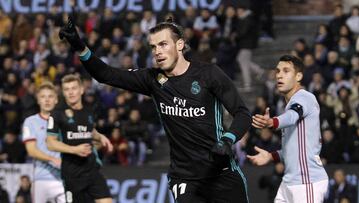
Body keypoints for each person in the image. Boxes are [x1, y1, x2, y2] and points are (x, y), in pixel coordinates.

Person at [59, 17, 252, 202]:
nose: (157, 51)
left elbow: (242, 113)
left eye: (163, 44)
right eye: (153, 47)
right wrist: (79, 46)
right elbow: (105, 74)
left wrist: (228, 140)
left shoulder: (209, 74)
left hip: (222, 174)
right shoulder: (152, 79)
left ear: (180, 45)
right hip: (185, 177)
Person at [248, 55, 329, 202]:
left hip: (307, 181)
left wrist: (272, 122)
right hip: (290, 182)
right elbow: (294, 149)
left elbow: (292, 116)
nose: (279, 75)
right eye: (278, 71)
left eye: (286, 71)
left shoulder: (304, 97)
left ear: (298, 76)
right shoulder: (290, 104)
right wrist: (271, 156)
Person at [46, 74, 113, 203]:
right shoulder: (57, 114)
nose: (71, 92)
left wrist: (101, 137)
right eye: (67, 89)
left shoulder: (89, 111)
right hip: (73, 174)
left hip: (92, 169)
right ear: (63, 93)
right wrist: (74, 150)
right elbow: (50, 143)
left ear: (81, 90)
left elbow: (89, 130)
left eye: (74, 88)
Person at [22, 81, 65, 203]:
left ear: (56, 100)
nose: (47, 100)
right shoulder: (30, 122)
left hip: (63, 179)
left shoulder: (64, 121)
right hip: (41, 179)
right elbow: (31, 150)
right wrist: (52, 159)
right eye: (43, 97)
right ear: (38, 100)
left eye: (50, 96)